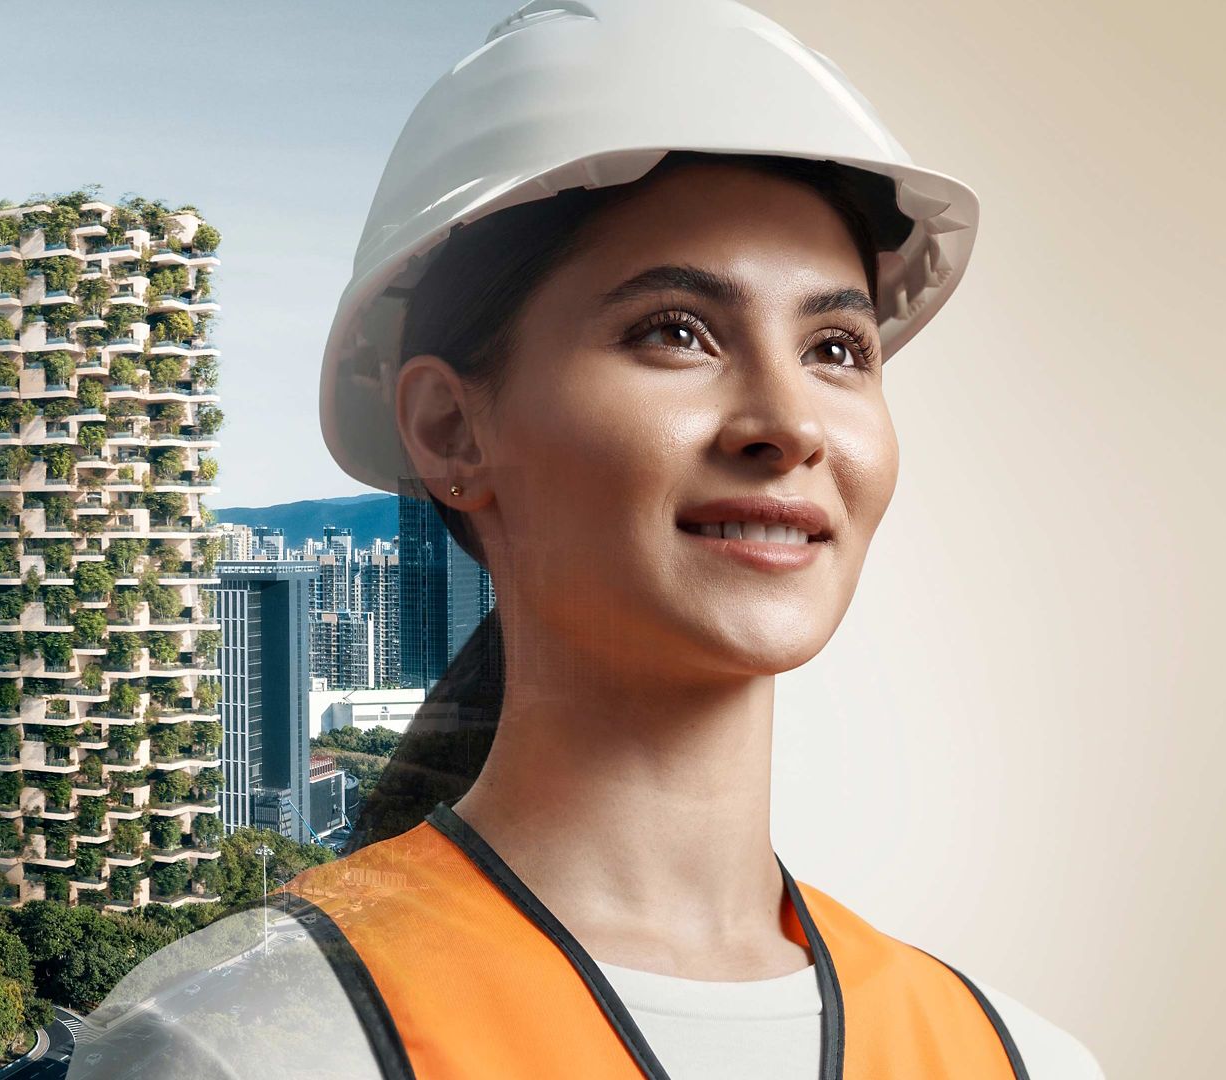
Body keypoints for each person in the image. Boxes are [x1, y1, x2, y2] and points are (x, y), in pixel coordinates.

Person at [71, 2, 1103, 1077]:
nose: (790, 424)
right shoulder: (252, 1050)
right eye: (675, 332)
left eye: (837, 347)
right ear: (449, 428)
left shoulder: (1012, 1059)